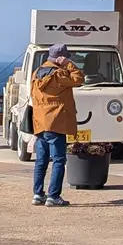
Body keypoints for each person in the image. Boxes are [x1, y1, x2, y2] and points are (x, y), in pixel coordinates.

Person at [30, 43, 84, 207]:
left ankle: (38, 194)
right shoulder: (59, 74)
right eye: (66, 57)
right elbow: (79, 79)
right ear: (61, 58)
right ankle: (54, 196)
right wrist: (69, 65)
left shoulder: (37, 72)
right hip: (56, 120)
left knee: (41, 160)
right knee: (59, 159)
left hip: (40, 121)